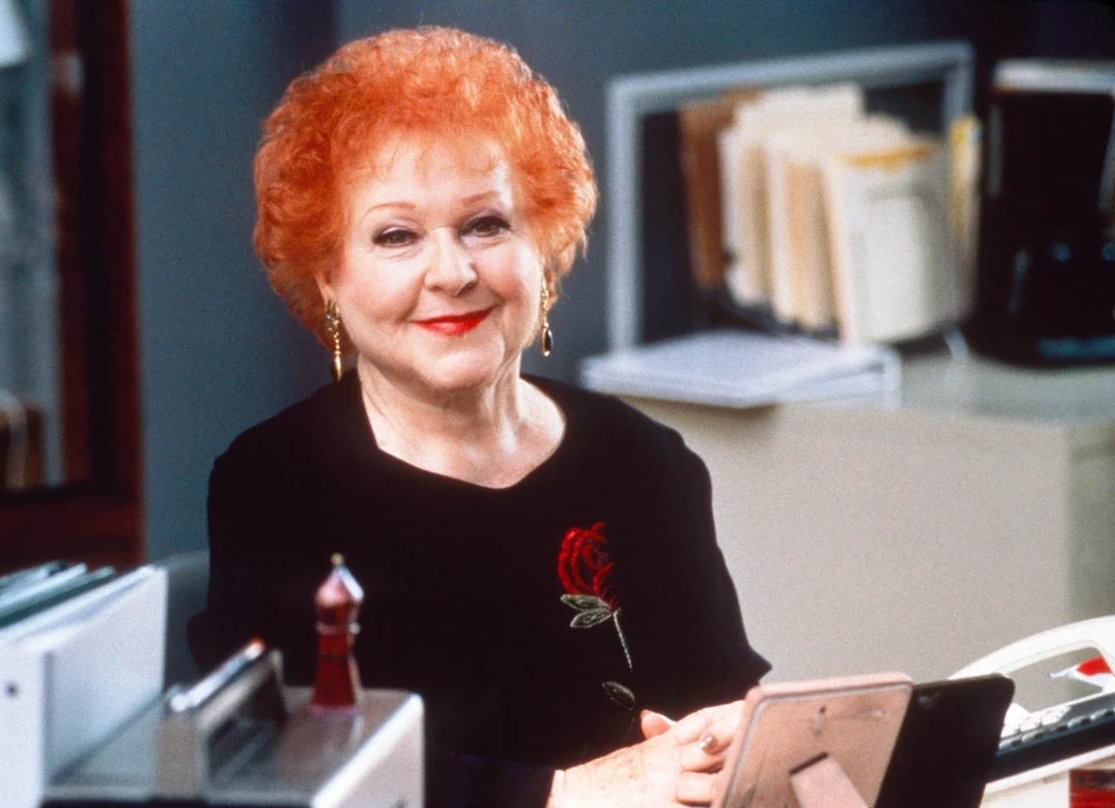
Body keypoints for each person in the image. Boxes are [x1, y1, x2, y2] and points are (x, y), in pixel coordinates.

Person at [190, 26, 769, 807]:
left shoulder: (644, 458)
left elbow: (719, 695)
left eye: (486, 225)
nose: (453, 272)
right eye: (397, 236)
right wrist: (564, 794)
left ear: (545, 248)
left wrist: (744, 739)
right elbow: (284, 756)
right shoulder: (273, 485)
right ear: (328, 277)